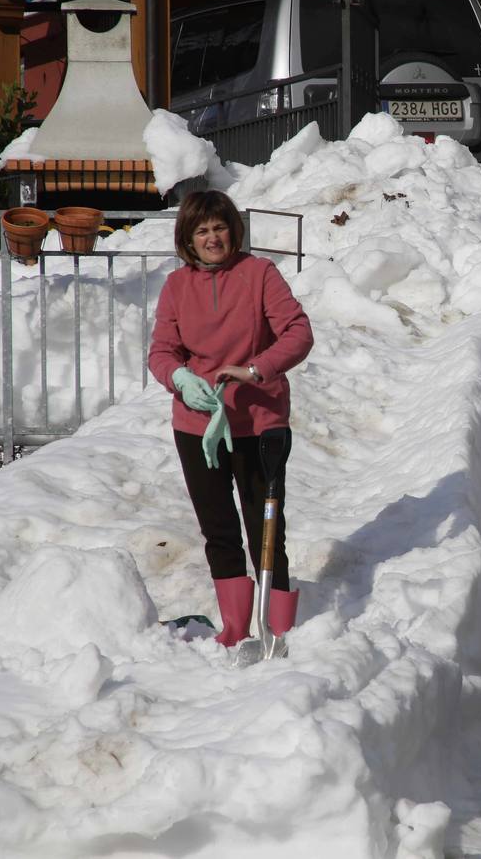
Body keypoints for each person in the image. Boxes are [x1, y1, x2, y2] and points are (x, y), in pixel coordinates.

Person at [148, 190, 314, 650]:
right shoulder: (177, 287)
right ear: (188, 239)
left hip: (260, 423)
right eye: (202, 231)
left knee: (266, 528)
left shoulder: (260, 274)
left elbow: (299, 332)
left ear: (233, 231)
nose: (213, 238)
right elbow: (162, 351)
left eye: (219, 227)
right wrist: (180, 378)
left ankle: (276, 628)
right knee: (218, 529)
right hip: (199, 427)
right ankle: (237, 628)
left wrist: (257, 369)